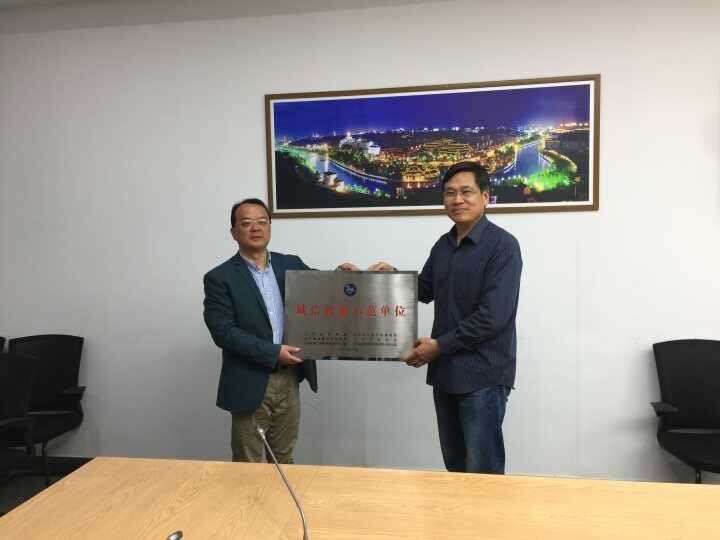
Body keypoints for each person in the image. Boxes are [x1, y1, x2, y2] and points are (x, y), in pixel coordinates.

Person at [352, 161, 522, 474]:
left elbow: (492, 317)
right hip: (446, 374)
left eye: (466, 192)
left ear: (485, 197)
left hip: (483, 375)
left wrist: (439, 346)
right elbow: (425, 289)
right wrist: (387, 278)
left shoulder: (503, 246)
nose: (458, 200)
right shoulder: (443, 245)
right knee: (454, 466)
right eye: (450, 193)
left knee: (482, 472)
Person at [203, 198, 317, 464]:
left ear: (270, 227)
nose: (255, 228)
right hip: (249, 380)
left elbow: (323, 290)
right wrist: (273, 352)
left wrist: (348, 275)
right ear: (233, 232)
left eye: (262, 221)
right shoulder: (220, 277)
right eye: (246, 223)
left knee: (284, 460)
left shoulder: (290, 264)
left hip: (290, 377)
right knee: (248, 465)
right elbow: (223, 332)